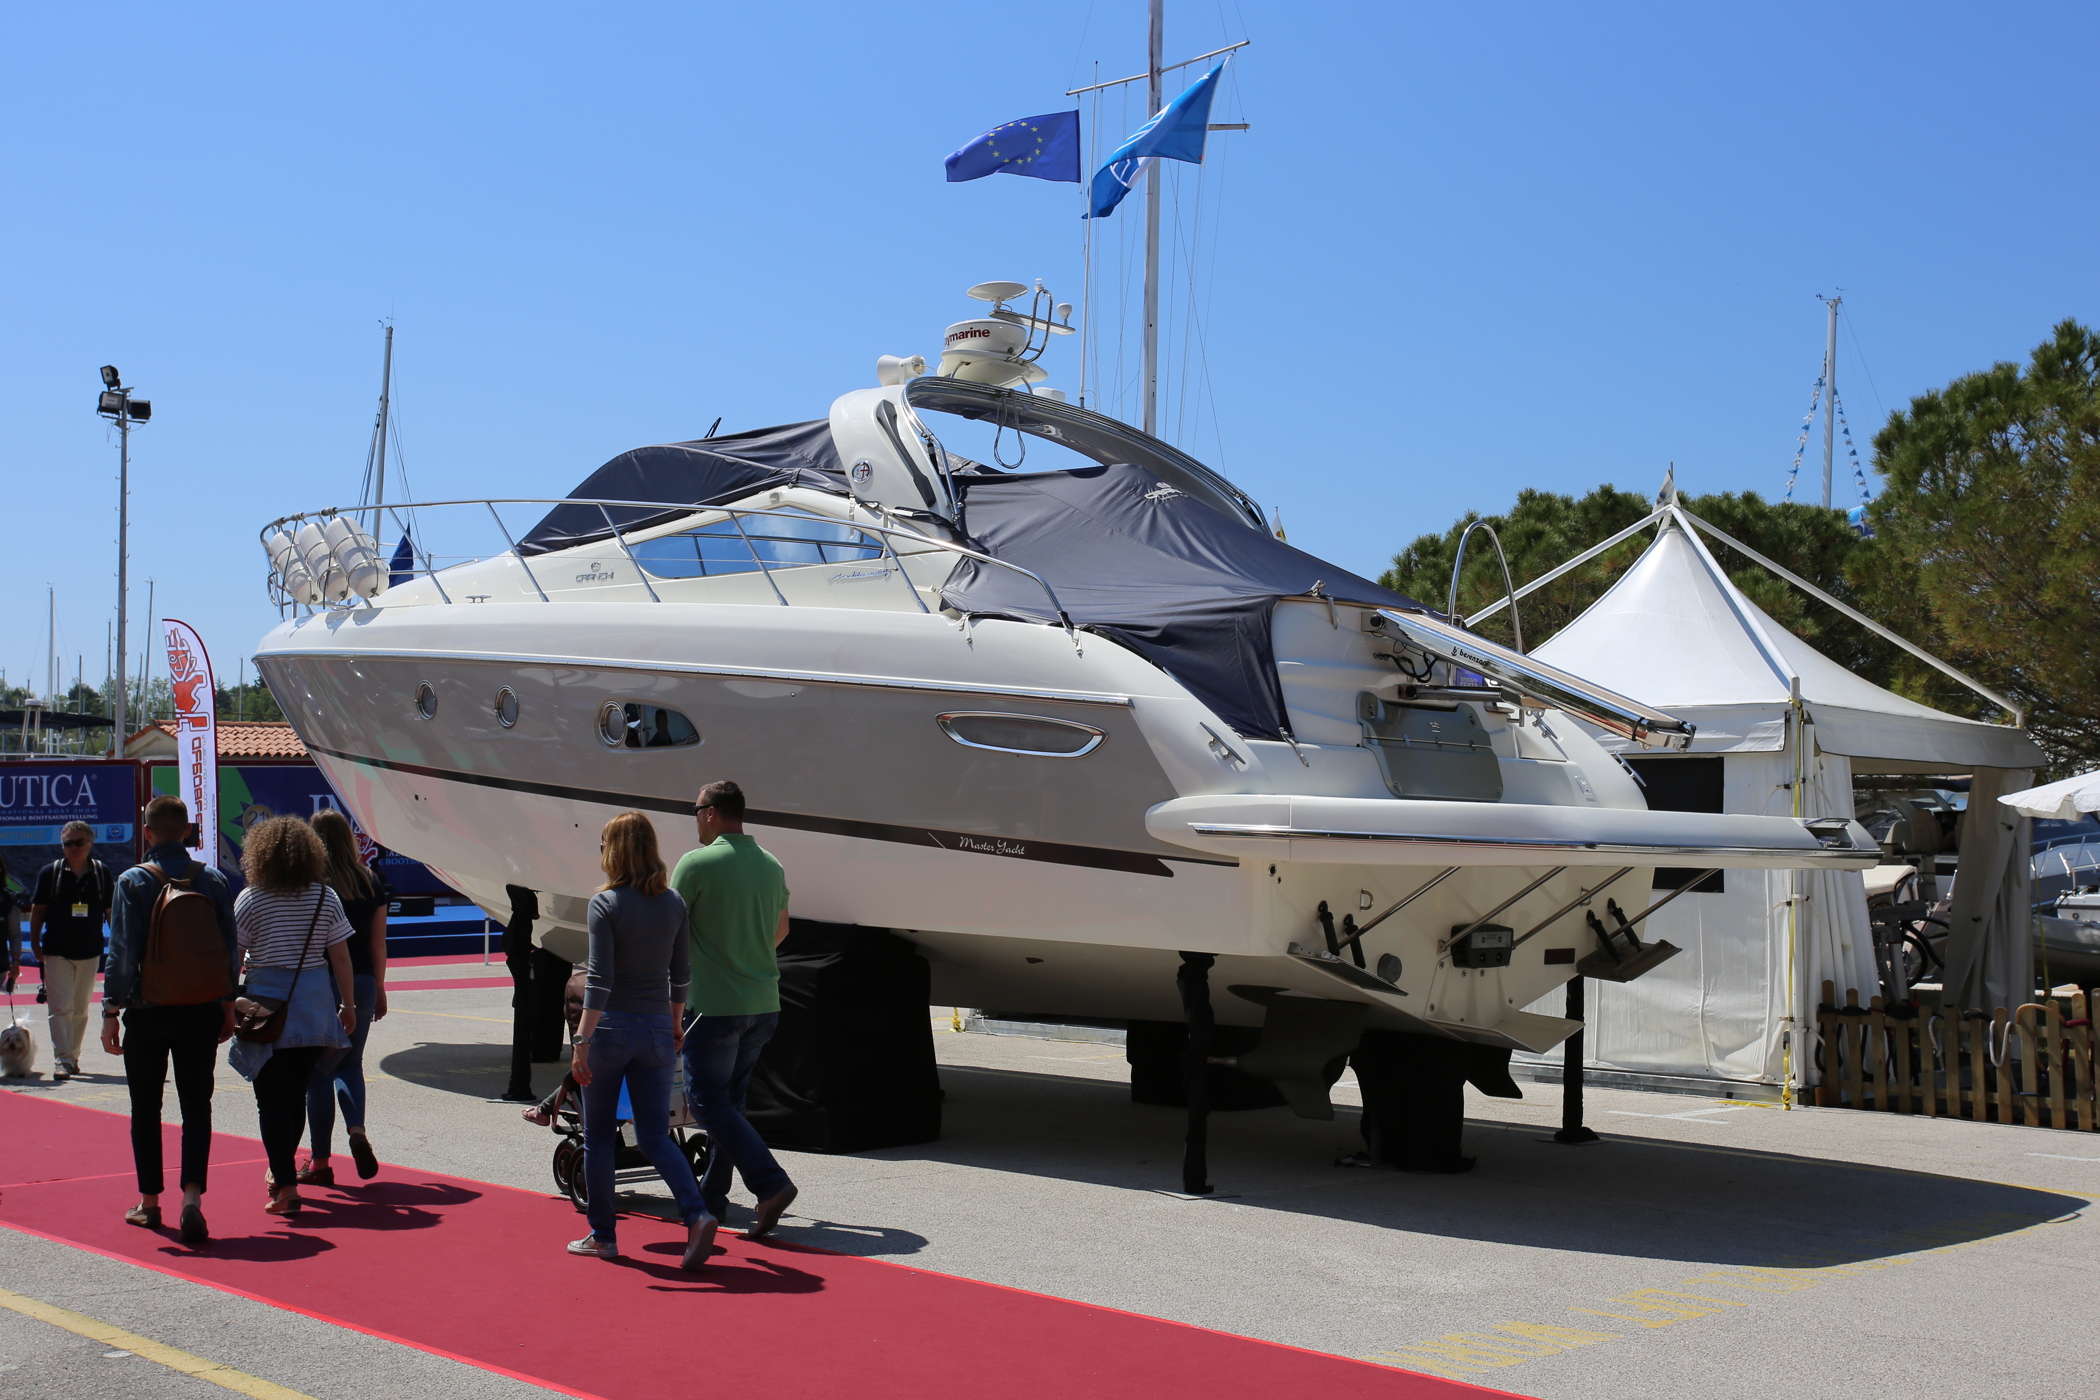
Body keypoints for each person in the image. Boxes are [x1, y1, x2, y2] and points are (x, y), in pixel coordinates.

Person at [567, 811, 713, 1267]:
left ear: (614, 852)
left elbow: (599, 979)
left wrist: (581, 1041)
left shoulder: (605, 903)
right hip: (656, 1029)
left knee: (598, 1136)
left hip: (611, 1029)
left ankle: (603, 1236)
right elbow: (681, 973)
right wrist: (674, 1022)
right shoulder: (672, 903)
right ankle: (697, 1212)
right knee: (654, 1135)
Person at [102, 796, 239, 1245]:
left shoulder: (133, 880)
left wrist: (111, 1011)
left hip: (149, 1009)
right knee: (197, 1105)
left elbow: (122, 952)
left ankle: (149, 1202)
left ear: (147, 832)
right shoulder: (213, 879)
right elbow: (230, 948)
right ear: (187, 832)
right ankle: (192, 1198)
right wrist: (227, 1003)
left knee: (146, 1107)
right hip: (201, 1006)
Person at [672, 780, 797, 1239]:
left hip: (714, 1004)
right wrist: (747, 953)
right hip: (763, 1002)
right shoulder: (771, 864)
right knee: (731, 1104)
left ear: (710, 812)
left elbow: (669, 927)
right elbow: (781, 930)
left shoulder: (696, 863)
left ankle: (770, 1183)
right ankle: (712, 1200)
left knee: (707, 1103)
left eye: (694, 810)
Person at [227, 817, 355, 1219]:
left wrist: (226, 1002)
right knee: (296, 1092)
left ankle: (285, 1184)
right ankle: (284, 1176)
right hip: (314, 1006)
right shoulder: (325, 897)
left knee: (269, 1100)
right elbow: (340, 957)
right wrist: (348, 1005)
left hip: (265, 1008)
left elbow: (233, 957)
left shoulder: (251, 899)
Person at [299, 810, 389, 1186]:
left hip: (321, 983)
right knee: (351, 1064)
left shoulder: (310, 883)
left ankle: (320, 1161)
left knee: (317, 1072)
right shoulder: (369, 880)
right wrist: (380, 987)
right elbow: (378, 942)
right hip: (363, 981)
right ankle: (357, 1131)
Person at [30, 821, 116, 1080]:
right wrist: (35, 944)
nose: (74, 847)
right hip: (57, 949)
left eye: (79, 842)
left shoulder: (101, 872)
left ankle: (72, 1056)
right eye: (68, 843)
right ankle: (63, 1060)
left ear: (90, 844)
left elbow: (110, 911)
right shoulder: (51, 872)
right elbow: (38, 910)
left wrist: (119, 944)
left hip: (90, 949)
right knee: (60, 1008)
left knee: (80, 1009)